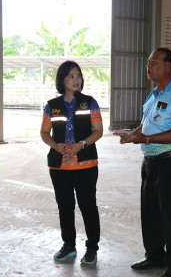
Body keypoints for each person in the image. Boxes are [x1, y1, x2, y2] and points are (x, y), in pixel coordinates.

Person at [114, 48, 171, 277]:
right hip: (150, 161)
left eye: (154, 62)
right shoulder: (154, 94)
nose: (149, 65)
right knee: (150, 213)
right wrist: (134, 134)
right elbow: (147, 122)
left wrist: (146, 137)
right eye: (148, 61)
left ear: (168, 66)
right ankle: (154, 256)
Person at [40, 61, 103, 266]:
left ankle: (92, 248)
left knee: (88, 206)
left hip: (85, 164)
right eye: (71, 76)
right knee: (65, 206)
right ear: (62, 80)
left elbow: (98, 131)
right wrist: (57, 147)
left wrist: (80, 145)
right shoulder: (52, 105)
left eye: (79, 76)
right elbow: (44, 133)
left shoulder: (90, 102)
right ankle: (68, 245)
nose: (77, 80)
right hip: (59, 167)